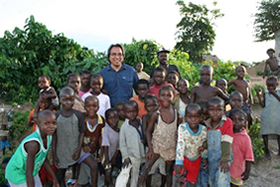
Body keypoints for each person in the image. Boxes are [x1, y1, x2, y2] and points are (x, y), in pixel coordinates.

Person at [52, 87, 98, 187]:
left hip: (77, 149)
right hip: (62, 151)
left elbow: (82, 133)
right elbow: (54, 137)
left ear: (74, 100)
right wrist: (55, 155)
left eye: (71, 99)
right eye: (65, 99)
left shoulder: (78, 115)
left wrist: (78, 150)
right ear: (60, 100)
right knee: (60, 175)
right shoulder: (56, 116)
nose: (68, 102)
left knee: (93, 165)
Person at [139, 85, 181, 187]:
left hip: (170, 148)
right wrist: (150, 148)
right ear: (159, 97)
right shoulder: (156, 114)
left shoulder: (176, 114)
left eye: (169, 95)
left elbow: (178, 131)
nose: (166, 98)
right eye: (163, 95)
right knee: (146, 169)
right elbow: (148, 132)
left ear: (173, 97)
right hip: (156, 146)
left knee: (168, 172)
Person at [5, 110, 59, 186]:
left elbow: (43, 158)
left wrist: (54, 178)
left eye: (54, 123)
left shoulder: (49, 136)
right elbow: (28, 173)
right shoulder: (33, 144)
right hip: (18, 174)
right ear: (38, 124)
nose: (52, 126)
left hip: (31, 171)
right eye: (47, 123)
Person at [174, 104, 207, 187]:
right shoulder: (182, 128)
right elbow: (180, 144)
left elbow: (204, 144)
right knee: (178, 180)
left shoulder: (203, 130)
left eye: (196, 117)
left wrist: (204, 156)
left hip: (196, 160)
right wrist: (179, 162)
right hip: (183, 158)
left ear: (201, 117)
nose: (193, 120)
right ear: (185, 117)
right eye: (190, 117)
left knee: (192, 182)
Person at [203, 97, 233, 187]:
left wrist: (225, 160)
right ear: (207, 110)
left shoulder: (227, 122)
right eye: (212, 110)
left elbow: (227, 142)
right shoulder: (207, 124)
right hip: (211, 157)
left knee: (222, 180)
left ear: (224, 110)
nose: (215, 113)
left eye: (219, 110)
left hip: (224, 156)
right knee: (212, 180)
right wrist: (204, 155)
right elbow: (207, 141)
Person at [78, 95, 105, 186]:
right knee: (93, 165)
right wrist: (83, 146)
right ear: (84, 107)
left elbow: (101, 137)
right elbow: (77, 135)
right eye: (88, 106)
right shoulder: (81, 119)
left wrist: (101, 151)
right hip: (81, 149)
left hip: (94, 149)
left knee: (86, 166)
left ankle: (80, 182)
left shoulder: (101, 120)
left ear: (98, 107)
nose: (91, 109)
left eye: (94, 106)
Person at [117, 100, 145, 187]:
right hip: (132, 155)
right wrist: (125, 157)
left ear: (138, 110)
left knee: (140, 172)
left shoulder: (140, 121)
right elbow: (122, 144)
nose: (132, 114)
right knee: (133, 174)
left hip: (141, 153)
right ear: (125, 113)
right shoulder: (125, 127)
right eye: (129, 112)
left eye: (134, 111)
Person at [142, 95, 166, 187]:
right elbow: (145, 132)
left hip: (162, 148)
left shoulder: (162, 116)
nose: (152, 108)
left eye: (155, 105)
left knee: (163, 170)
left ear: (158, 105)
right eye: (149, 106)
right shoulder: (145, 117)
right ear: (145, 107)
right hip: (150, 147)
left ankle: (162, 185)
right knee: (149, 170)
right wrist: (150, 146)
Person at [256, 76, 280, 159]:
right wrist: (258, 95)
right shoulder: (266, 94)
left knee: (278, 133)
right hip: (267, 116)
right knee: (265, 133)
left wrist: (274, 93)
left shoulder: (279, 92)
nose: (270, 88)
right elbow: (263, 105)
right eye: (268, 86)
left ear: (276, 85)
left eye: (272, 86)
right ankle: (267, 150)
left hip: (277, 116)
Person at [229, 109, 254, 186]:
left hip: (237, 171)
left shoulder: (245, 138)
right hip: (225, 170)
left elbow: (249, 157)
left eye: (240, 120)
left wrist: (247, 171)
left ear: (245, 122)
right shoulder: (227, 133)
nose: (236, 122)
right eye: (233, 119)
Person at [102, 108, 121, 187]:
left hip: (113, 154)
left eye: (115, 117)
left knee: (111, 171)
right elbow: (105, 145)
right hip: (105, 155)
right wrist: (107, 158)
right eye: (110, 118)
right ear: (106, 120)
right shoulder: (105, 130)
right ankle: (111, 185)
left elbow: (118, 147)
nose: (113, 120)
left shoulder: (119, 131)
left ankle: (107, 183)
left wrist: (113, 158)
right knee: (108, 170)